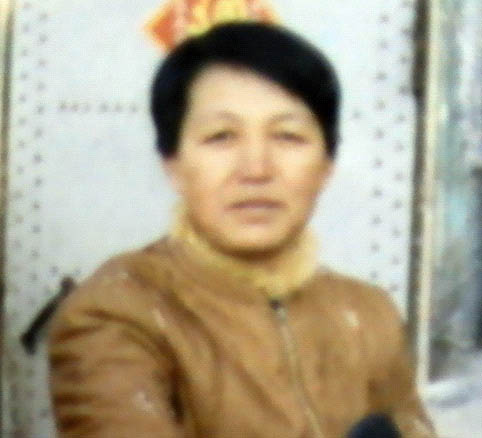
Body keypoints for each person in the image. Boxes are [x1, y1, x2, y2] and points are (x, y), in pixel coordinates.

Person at [48, 22, 437, 438]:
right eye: (221, 137)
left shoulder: (369, 314)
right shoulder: (118, 310)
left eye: (288, 136)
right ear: (173, 165)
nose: (256, 169)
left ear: (326, 165)